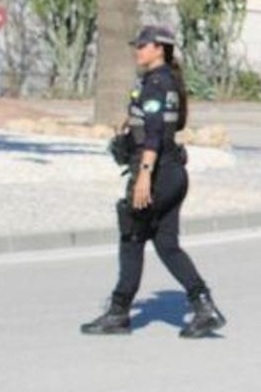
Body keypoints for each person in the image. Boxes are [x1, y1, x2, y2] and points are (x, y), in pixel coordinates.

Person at [82, 26, 227, 339]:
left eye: (143, 45)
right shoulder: (169, 82)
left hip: (158, 173)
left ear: (160, 48)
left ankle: (119, 313)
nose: (138, 50)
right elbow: (164, 124)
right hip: (174, 172)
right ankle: (204, 307)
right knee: (166, 244)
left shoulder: (156, 83)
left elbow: (154, 134)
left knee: (132, 237)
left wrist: (144, 174)